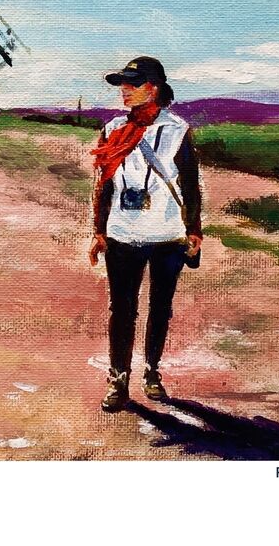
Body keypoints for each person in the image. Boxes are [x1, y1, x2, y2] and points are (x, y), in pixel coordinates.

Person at [88, 56, 203, 411]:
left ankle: (152, 371)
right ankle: (118, 379)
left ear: (153, 89)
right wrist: (99, 230)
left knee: (160, 308)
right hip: (123, 233)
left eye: (132, 83)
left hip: (168, 235)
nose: (124, 90)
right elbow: (104, 184)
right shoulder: (112, 129)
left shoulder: (177, 130)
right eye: (122, 83)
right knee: (121, 309)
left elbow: (191, 185)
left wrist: (194, 230)